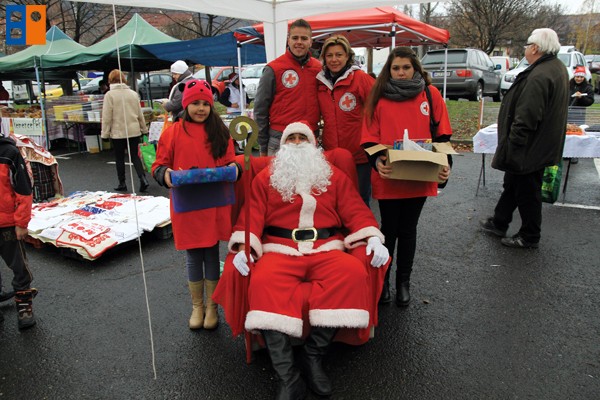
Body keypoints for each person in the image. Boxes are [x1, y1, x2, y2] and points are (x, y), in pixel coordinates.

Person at [230, 121, 389, 399]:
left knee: (351, 272)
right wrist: (245, 247)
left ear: (313, 144)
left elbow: (355, 211)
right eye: (290, 138)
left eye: (302, 138)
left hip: (327, 247)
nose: (296, 143)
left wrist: (372, 237)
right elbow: (251, 217)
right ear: (283, 146)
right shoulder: (266, 178)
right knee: (264, 280)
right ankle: (288, 375)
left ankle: (313, 356)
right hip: (280, 248)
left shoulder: (334, 176)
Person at [361, 46, 452, 307]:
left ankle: (403, 282)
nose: (401, 73)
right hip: (390, 175)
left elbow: (443, 136)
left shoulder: (430, 94)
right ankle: (384, 282)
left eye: (406, 67)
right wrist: (377, 161)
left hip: (419, 176)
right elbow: (368, 138)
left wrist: (445, 167)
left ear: (415, 68)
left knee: (408, 230)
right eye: (395, 68)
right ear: (388, 70)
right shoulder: (377, 97)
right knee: (388, 230)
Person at [152, 79, 241, 330]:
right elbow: (159, 164)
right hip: (187, 203)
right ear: (186, 105)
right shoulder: (172, 133)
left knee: (212, 253)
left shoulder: (221, 132)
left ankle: (212, 307)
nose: (200, 108)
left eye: (205, 104)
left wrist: (235, 168)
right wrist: (165, 174)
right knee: (193, 255)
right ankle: (197, 306)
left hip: (213, 203)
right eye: (195, 104)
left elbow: (231, 160)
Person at [479, 28, 568, 249]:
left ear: (536, 47)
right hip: (538, 143)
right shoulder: (555, 68)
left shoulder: (540, 74)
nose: (526, 49)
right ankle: (499, 221)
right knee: (514, 183)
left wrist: (514, 143)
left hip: (528, 146)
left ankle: (530, 235)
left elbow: (528, 115)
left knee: (527, 191)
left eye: (528, 45)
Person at [316, 35, 375, 205]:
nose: (334, 59)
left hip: (359, 155)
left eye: (339, 55)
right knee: (336, 199)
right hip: (332, 154)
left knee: (359, 200)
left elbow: (378, 109)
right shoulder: (320, 82)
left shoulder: (360, 79)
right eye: (329, 55)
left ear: (348, 56)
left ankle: (363, 231)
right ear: (324, 58)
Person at [254, 19, 321, 156]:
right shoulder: (273, 68)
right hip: (280, 139)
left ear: (310, 41)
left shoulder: (318, 69)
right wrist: (262, 144)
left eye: (304, 38)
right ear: (288, 40)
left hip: (309, 137)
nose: (299, 42)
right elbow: (260, 108)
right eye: (295, 37)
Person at [0, 131, 37, 329]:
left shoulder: (9, 152)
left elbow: (23, 190)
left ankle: (24, 306)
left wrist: (21, 223)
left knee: (18, 267)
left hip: (6, 224)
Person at [101, 69, 150, 193]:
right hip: (134, 130)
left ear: (110, 80)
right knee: (135, 156)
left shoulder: (109, 95)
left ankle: (122, 183)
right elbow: (140, 114)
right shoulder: (133, 94)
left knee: (120, 158)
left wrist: (105, 133)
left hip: (118, 132)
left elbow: (107, 116)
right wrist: (144, 129)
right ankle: (143, 178)